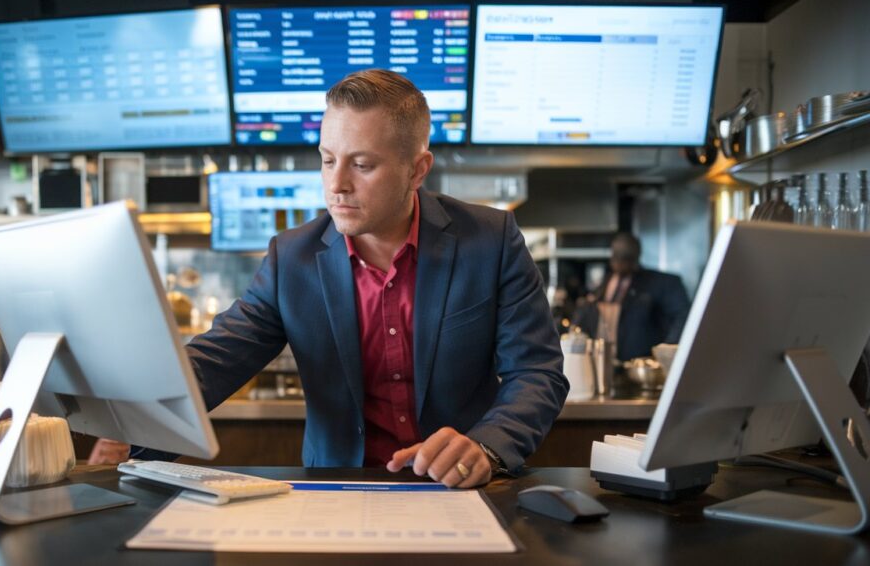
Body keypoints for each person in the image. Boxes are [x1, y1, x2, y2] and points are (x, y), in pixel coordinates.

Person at [92, 69, 567, 488]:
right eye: (326, 159)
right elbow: (215, 361)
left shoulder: (489, 240)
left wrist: (486, 446)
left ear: (417, 169)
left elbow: (537, 372)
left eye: (362, 165)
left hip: (457, 489)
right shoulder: (292, 258)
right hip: (336, 489)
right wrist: (130, 422)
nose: (336, 184)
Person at [573, 233, 690, 362]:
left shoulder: (659, 283)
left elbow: (682, 315)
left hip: (641, 363)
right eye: (617, 257)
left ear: (636, 257)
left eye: (626, 258)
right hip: (603, 361)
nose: (620, 263)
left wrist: (666, 352)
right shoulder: (606, 282)